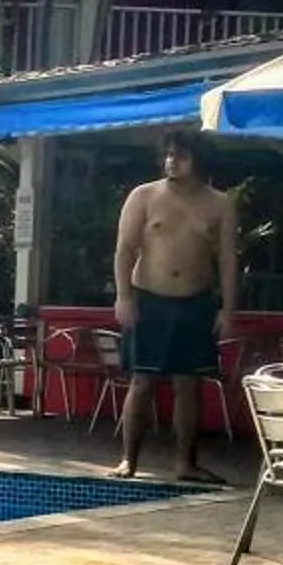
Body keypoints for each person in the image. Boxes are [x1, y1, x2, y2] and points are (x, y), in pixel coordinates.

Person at [111, 131, 239, 481]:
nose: (172, 161)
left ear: (199, 160)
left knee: (189, 384)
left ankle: (186, 463)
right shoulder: (144, 195)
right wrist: (123, 296)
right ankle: (128, 459)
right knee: (142, 381)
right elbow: (125, 249)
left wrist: (228, 309)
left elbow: (228, 260)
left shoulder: (219, 204)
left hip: (195, 301)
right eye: (168, 155)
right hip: (149, 298)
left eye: (181, 156)